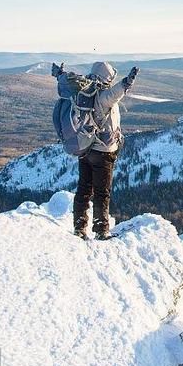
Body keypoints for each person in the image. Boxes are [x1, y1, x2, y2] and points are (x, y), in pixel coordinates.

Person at [51, 61, 139, 240]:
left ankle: (79, 227)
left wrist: (59, 74)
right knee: (101, 192)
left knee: (84, 188)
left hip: (86, 148)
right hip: (104, 152)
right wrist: (126, 83)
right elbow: (115, 94)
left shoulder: (82, 90)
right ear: (107, 78)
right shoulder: (102, 95)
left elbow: (67, 80)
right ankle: (101, 230)